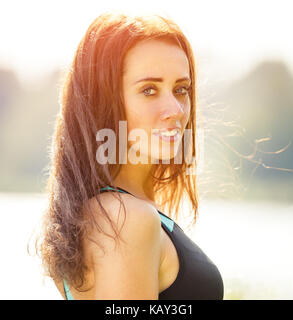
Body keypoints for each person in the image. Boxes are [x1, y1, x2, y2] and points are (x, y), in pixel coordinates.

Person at [37, 11, 224, 300]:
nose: (175, 109)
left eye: (181, 89)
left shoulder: (111, 211)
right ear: (103, 101)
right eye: (149, 90)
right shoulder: (125, 219)